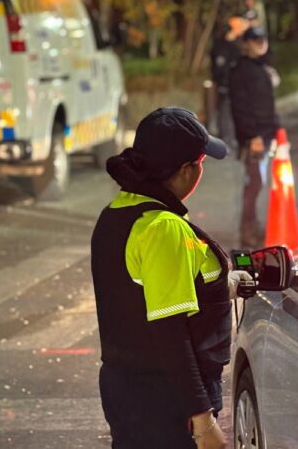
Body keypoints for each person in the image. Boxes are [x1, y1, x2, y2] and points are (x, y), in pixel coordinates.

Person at [91, 107, 253, 449]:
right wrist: (202, 418)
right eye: (200, 163)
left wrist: (225, 284)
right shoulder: (164, 228)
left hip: (129, 387)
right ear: (185, 171)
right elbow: (170, 330)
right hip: (166, 399)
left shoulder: (115, 215)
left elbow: (138, 295)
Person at [228, 26, 279, 247]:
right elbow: (241, 107)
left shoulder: (261, 67)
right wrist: (252, 136)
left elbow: (267, 104)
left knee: (259, 181)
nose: (261, 44)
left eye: (263, 39)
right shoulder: (241, 70)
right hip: (254, 137)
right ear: (246, 43)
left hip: (266, 133)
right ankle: (247, 231)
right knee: (254, 183)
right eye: (255, 40)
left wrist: (276, 129)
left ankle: (254, 227)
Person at [210, 14, 248, 150]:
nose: (243, 27)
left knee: (236, 111)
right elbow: (219, 67)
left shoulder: (240, 44)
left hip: (239, 86)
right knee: (225, 111)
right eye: (240, 24)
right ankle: (225, 141)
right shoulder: (222, 45)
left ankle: (233, 140)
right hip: (226, 85)